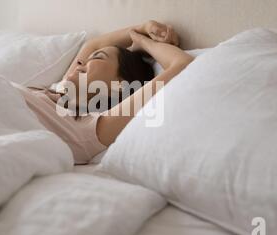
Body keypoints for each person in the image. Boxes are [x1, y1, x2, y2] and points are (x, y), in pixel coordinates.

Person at [12, 20, 194, 164]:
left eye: (98, 58)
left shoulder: (89, 128)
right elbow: (93, 45)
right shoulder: (58, 91)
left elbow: (181, 64)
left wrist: (144, 42)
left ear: (120, 85)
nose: (79, 63)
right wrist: (142, 28)